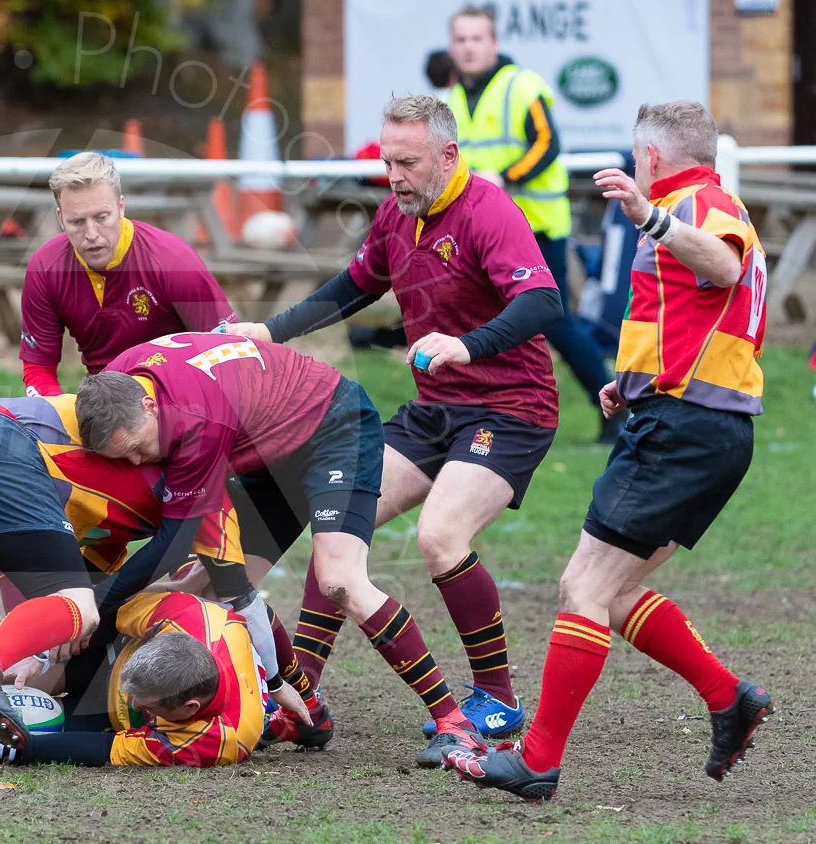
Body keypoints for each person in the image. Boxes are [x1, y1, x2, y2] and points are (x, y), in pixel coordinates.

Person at [446, 101, 774, 802]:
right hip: (696, 423)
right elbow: (693, 311)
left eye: (635, 157)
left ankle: (537, 760)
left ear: (651, 158)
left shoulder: (696, 203)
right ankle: (729, 698)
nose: (634, 169)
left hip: (686, 428)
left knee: (585, 588)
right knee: (615, 591)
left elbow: (722, 267)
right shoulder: (704, 203)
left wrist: (650, 216)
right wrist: (630, 383)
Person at [224, 95, 562, 741]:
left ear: (448, 155)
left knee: (439, 537)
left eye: (408, 163)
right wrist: (270, 330)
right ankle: (303, 695)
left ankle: (497, 697)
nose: (395, 176)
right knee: (338, 522)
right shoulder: (395, 214)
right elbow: (354, 288)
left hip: (510, 410)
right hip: (434, 411)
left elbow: (543, 299)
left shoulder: (489, 211)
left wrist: (467, 345)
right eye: (388, 162)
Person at [0, 394, 313, 754]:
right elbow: (238, 596)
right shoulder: (206, 500)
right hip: (0, 452)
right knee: (72, 615)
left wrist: (43, 637)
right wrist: (277, 684)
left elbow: (65, 582)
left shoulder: (137, 457)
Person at [73, 332, 486, 768]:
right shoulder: (118, 381)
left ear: (149, 406)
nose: (138, 462)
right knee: (210, 594)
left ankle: (453, 722)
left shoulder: (195, 420)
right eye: (124, 457)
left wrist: (94, 602)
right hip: (265, 446)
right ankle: (308, 712)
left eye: (138, 448)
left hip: (333, 425)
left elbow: (174, 542)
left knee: (340, 581)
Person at [447, 5, 616, 444]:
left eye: (477, 38)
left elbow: (548, 143)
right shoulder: (450, 100)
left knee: (553, 322)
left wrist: (506, 176)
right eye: (461, 39)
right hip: (483, 234)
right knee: (480, 323)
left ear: (493, 43)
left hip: (537, 226)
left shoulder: (521, 86)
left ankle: (615, 407)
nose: (468, 47)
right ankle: (488, 419)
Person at [0, 592, 265, 767]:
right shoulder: (192, 615)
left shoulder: (221, 738)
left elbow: (108, 748)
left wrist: (8, 749)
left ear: (189, 707)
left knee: (30, 727)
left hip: (108, 720)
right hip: (107, 657)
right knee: (12, 675)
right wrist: (42, 653)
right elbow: (109, 609)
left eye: (146, 705)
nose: (134, 702)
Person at [18, 152, 237, 396]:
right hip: (104, 403)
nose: (91, 234)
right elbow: (38, 369)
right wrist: (55, 411)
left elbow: (230, 352)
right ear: (61, 219)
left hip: (182, 396)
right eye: (77, 222)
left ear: (121, 207)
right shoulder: (45, 268)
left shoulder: (173, 261)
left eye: (102, 217)